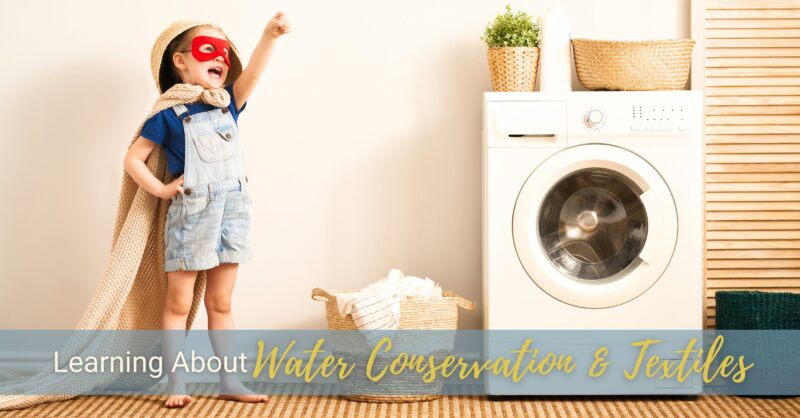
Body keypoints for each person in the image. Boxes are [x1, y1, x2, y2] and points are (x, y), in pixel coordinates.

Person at [123, 14, 290, 408]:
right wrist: (162, 189)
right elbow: (133, 159)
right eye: (207, 50)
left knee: (222, 302)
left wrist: (268, 36)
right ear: (180, 61)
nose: (220, 58)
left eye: (224, 53)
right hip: (192, 215)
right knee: (178, 304)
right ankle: (175, 383)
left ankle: (229, 380)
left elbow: (253, 74)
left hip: (233, 212)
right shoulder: (168, 113)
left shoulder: (229, 102)